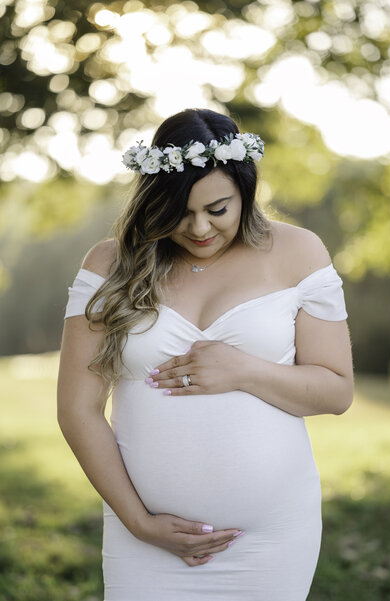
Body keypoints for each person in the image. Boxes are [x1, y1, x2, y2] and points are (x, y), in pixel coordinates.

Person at [57, 107, 354, 601]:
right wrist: (139, 521)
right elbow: (77, 409)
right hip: (144, 538)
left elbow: (336, 391)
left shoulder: (298, 252)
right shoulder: (109, 265)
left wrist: (243, 370)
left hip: (269, 540)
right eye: (180, 212)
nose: (198, 228)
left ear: (246, 189)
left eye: (218, 209)